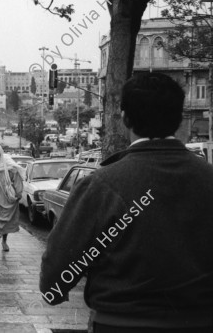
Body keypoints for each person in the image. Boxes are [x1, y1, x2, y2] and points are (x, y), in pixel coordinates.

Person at [40, 73, 213, 332]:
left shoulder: (100, 186)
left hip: (120, 325)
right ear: (178, 119)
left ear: (124, 119)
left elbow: (55, 278)